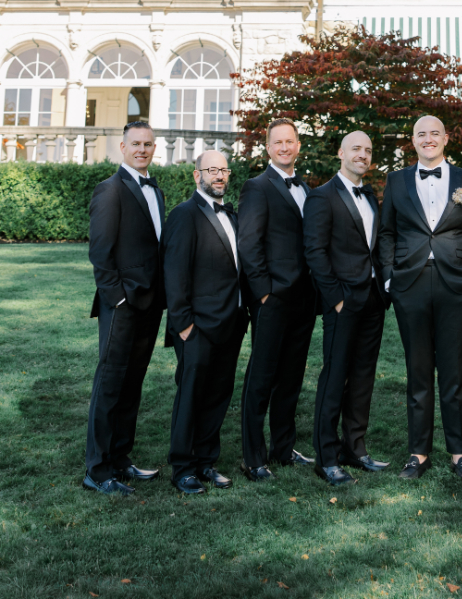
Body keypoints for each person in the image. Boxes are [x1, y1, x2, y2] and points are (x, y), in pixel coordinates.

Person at [377, 116, 462, 482]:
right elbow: (387, 232)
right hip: (410, 284)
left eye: (434, 134)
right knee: (418, 371)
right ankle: (419, 453)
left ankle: (459, 454)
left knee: (454, 371)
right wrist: (391, 277)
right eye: (421, 134)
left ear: (445, 139)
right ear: (413, 141)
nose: (428, 139)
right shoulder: (395, 180)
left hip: (455, 283)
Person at [303, 131, 390, 486]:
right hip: (342, 301)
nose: (363, 155)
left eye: (368, 151)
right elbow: (315, 253)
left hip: (372, 299)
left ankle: (355, 448)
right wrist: (336, 298)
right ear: (341, 153)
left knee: (363, 376)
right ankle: (326, 457)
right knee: (335, 377)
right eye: (356, 148)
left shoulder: (370, 195)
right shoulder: (322, 197)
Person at [83, 121, 165, 495]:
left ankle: (120, 458)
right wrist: (117, 298)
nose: (142, 149)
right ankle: (97, 470)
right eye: (136, 143)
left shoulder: (156, 191)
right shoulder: (110, 190)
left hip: (151, 304)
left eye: (148, 144)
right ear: (122, 146)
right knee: (111, 384)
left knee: (132, 384)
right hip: (122, 305)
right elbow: (100, 253)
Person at [162, 150, 248, 494]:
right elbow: (174, 270)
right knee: (191, 396)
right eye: (211, 170)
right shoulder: (184, 215)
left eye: (224, 170)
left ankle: (206, 461)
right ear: (197, 175)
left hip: (231, 323)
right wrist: (182, 323)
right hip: (196, 326)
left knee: (218, 395)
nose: (219, 175)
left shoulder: (234, 215)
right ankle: (183, 467)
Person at [238, 118, 316, 481]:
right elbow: (249, 244)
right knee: (262, 377)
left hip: (304, 300)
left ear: (298, 146)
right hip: (272, 299)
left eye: (290, 141)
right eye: (277, 143)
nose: (284, 147)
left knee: (291, 378)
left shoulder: (306, 187)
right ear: (268, 148)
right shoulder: (257, 187)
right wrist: (263, 292)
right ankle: (254, 457)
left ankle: (283, 448)